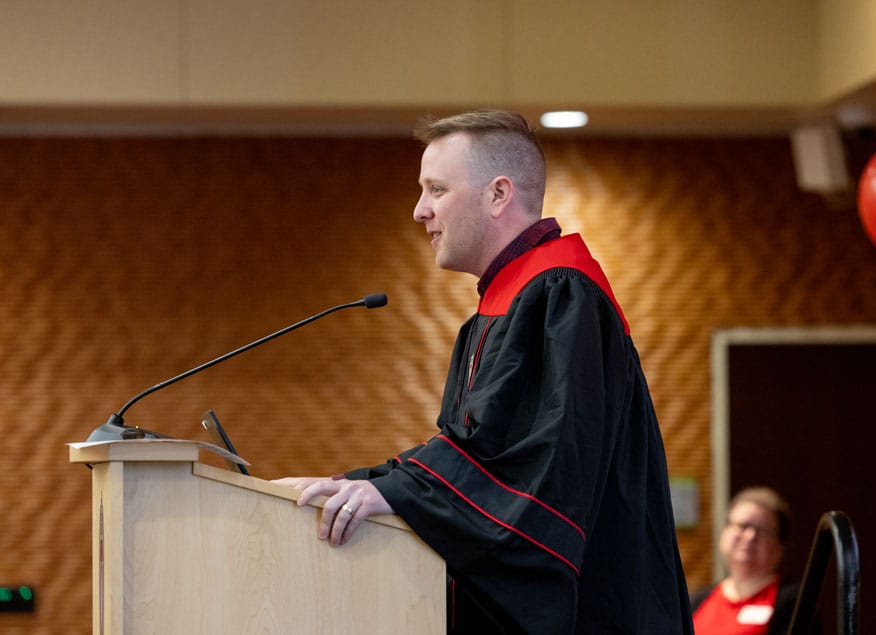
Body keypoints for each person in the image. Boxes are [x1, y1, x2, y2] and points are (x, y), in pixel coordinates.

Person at [274, 109, 693, 634]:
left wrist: (399, 492)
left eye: (436, 189)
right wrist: (357, 485)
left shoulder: (561, 294)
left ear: (498, 194)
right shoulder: (511, 301)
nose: (418, 211)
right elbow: (478, 452)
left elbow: (533, 474)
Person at [691, 487, 804, 634]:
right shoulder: (699, 599)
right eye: (742, 526)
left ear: (780, 546)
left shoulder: (795, 601)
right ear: (724, 533)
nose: (750, 537)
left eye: (762, 530)